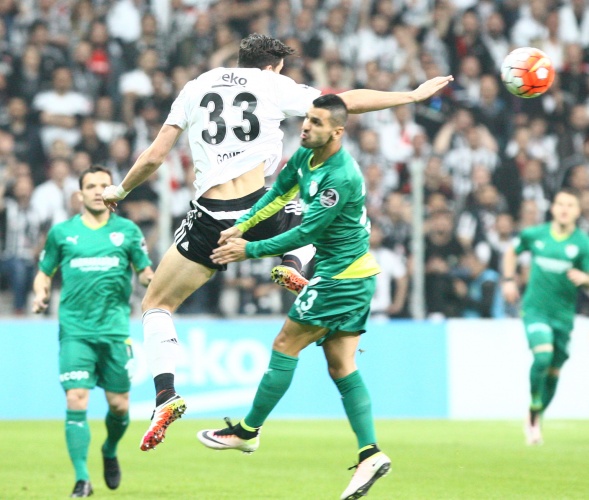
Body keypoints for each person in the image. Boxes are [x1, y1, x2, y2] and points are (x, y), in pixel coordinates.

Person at [101, 33, 452, 452]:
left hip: (211, 216)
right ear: (274, 65)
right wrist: (411, 96)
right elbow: (343, 103)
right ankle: (294, 263)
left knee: (156, 304)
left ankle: (165, 395)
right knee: (317, 212)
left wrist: (120, 191)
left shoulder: (195, 87)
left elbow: (155, 156)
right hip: (259, 207)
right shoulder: (272, 84)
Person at [197, 94, 390, 500]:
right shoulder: (305, 156)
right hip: (353, 275)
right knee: (341, 366)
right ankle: (370, 453)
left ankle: (247, 431)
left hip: (340, 278)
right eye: (307, 119)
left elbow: (305, 233)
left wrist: (248, 250)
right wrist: (242, 225)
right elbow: (278, 194)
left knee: (285, 344)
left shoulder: (341, 177)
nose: (305, 126)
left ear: (337, 132)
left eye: (317, 123)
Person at [32, 166, 154, 498]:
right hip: (76, 331)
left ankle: (109, 449)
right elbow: (44, 272)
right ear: (80, 194)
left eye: (104, 185)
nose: (99, 191)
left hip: (115, 331)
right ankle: (82, 479)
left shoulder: (127, 231)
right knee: (76, 397)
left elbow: (144, 271)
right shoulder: (62, 233)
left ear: (113, 191)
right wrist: (41, 293)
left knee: (119, 406)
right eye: (91, 186)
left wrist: (154, 281)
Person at [502, 187, 589, 446]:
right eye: (560, 204)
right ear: (552, 208)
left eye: (570, 205)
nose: (564, 209)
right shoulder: (535, 235)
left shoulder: (582, 243)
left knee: (554, 370)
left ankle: (535, 415)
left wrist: (585, 278)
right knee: (542, 356)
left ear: (578, 211)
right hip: (535, 310)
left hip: (563, 316)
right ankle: (534, 407)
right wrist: (508, 280)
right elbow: (511, 251)